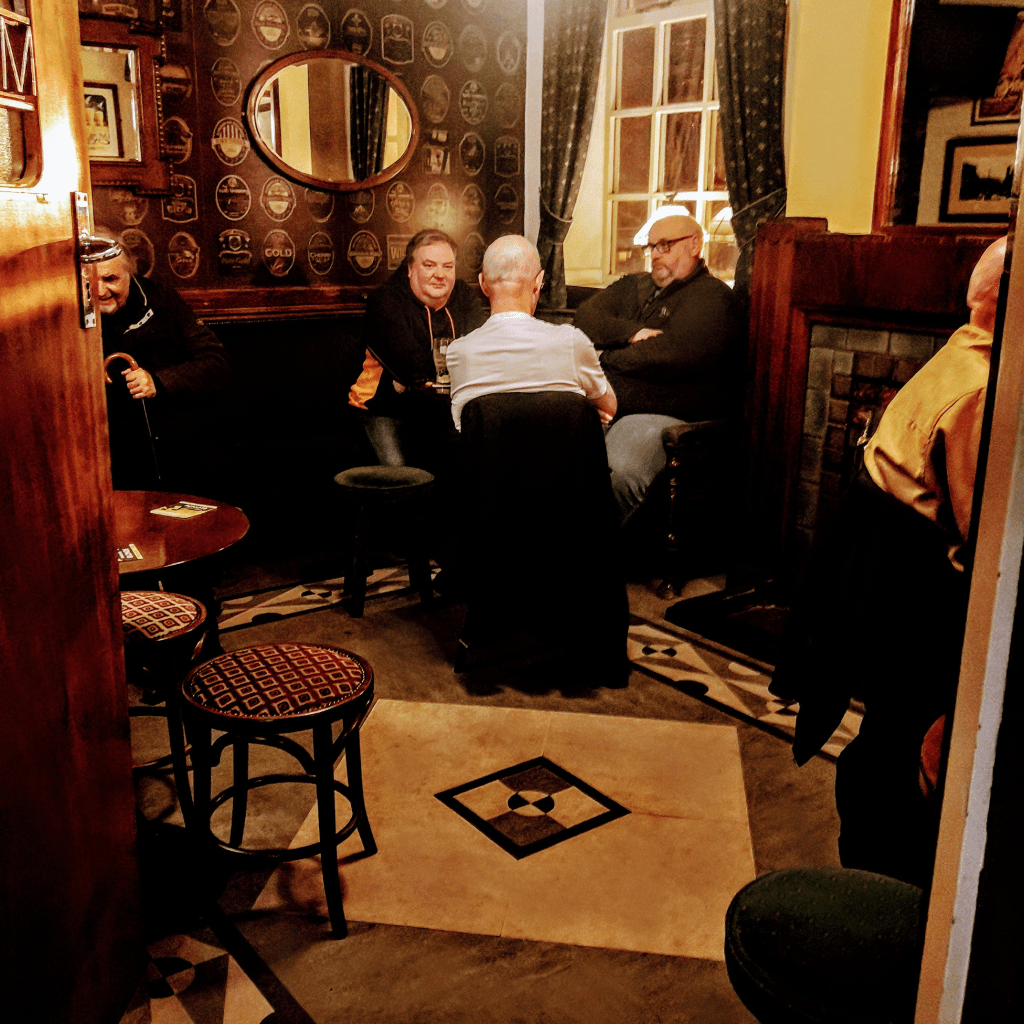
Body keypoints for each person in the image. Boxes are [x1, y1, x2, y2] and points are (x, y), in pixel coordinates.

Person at [770, 236, 1007, 886]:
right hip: (913, 589)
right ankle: (885, 879)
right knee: (903, 739)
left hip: (877, 572)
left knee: (888, 729)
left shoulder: (956, 354)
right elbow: (985, 538)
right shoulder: (984, 388)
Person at [574, 206, 745, 523]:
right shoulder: (635, 286)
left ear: (694, 245)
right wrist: (632, 332)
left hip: (672, 416)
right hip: (608, 403)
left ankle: (605, 547)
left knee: (616, 471)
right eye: (651, 246)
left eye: (665, 245)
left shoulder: (711, 297)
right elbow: (586, 317)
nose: (654, 254)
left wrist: (605, 358)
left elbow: (671, 354)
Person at [96, 229, 232, 492]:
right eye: (90, 281)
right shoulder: (66, 311)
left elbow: (218, 363)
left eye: (110, 278)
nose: (100, 291)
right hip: (110, 460)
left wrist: (158, 381)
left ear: (129, 272)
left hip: (180, 453)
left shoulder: (162, 300)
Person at [348, 229, 487, 473]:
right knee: (402, 477)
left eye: (447, 266)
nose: (440, 275)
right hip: (382, 409)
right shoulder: (385, 300)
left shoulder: (463, 295)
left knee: (479, 463)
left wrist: (426, 377)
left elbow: (483, 351)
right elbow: (414, 368)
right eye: (429, 265)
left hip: (444, 410)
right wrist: (455, 366)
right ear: (410, 269)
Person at [447, 234, 616, 430]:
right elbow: (609, 408)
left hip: (490, 452)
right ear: (539, 281)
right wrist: (585, 410)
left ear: (483, 284)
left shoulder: (459, 352)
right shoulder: (571, 342)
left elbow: (465, 429)